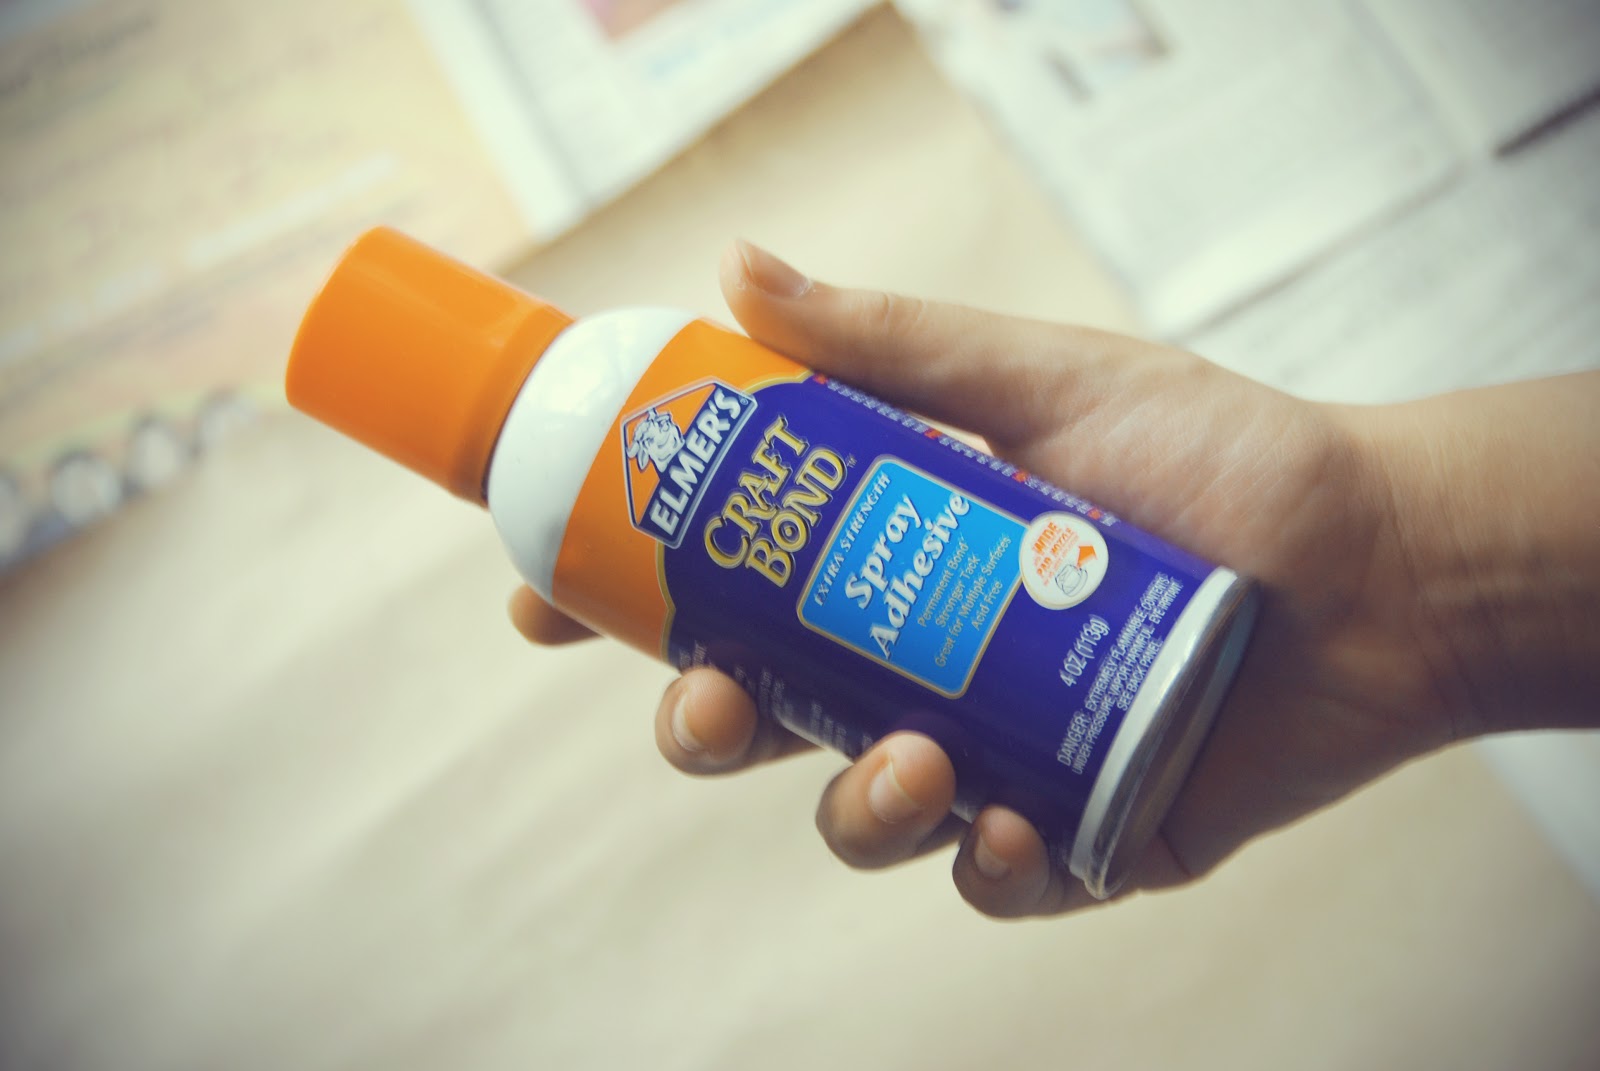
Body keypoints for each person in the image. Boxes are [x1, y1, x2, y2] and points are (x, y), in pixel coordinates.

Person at [508, 241, 1600, 920]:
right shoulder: (548, 496)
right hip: (1123, 703)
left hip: (1166, 620)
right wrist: (1407, 584)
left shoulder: (620, 364)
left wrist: (1392, 550)